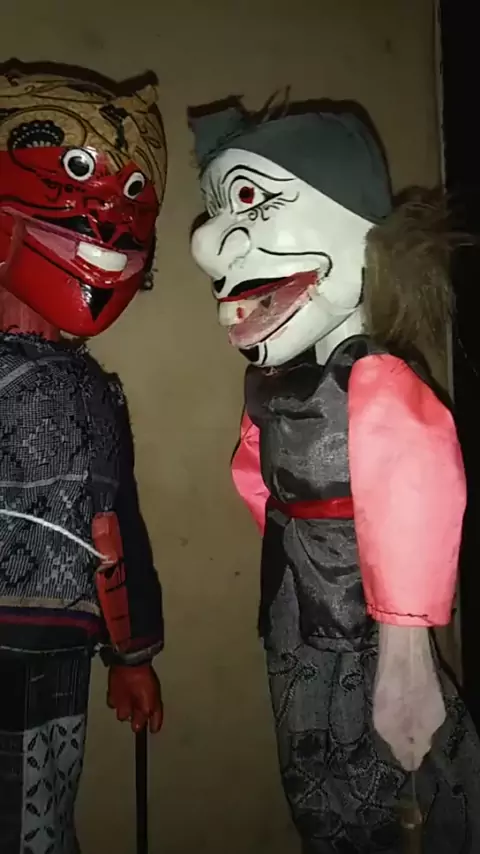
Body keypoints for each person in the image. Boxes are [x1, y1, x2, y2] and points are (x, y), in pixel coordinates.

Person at [188, 96, 480, 852]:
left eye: (248, 198)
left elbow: (419, 490)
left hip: (362, 616)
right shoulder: (278, 382)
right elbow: (258, 480)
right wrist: (288, 549)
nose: (208, 243)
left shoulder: (372, 377)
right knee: (315, 779)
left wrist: (407, 658)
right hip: (295, 608)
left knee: (388, 782)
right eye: (217, 208)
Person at [0, 62, 166, 852]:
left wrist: (130, 653)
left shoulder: (93, 392)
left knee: (38, 825)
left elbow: (115, 525)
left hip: (55, 656)